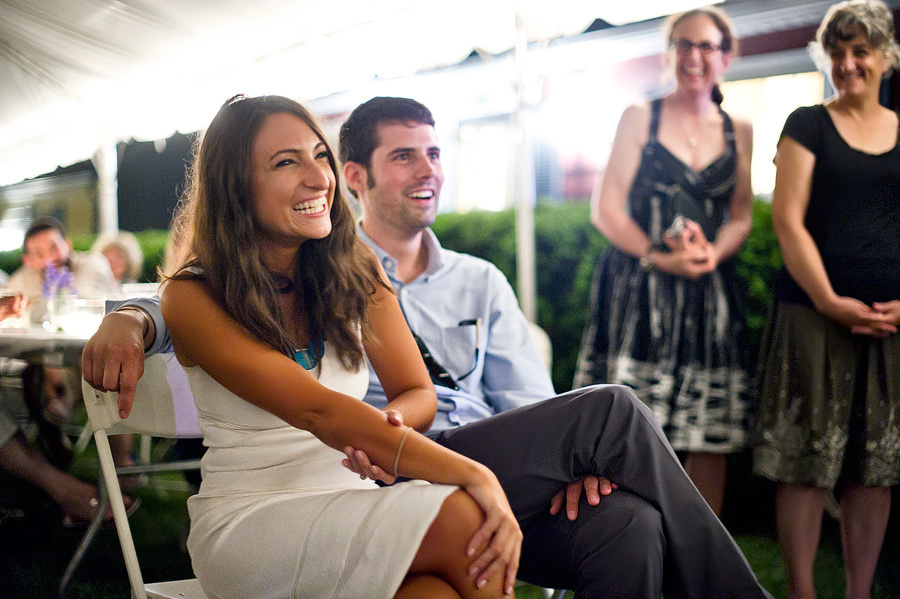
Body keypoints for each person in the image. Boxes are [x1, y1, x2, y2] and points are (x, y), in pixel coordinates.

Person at [85, 95, 774, 599]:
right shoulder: (196, 295)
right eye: (286, 162)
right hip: (265, 513)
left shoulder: (355, 269)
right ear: (237, 184)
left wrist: (390, 432)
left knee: (624, 523)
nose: (315, 175)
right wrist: (467, 471)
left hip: (387, 467)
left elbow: (411, 394)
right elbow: (322, 414)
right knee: (605, 416)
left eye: (317, 155)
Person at [572, 5, 754, 516]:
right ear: (669, 52)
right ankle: (633, 547)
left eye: (707, 46)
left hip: (708, 295)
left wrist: (711, 253)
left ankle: (700, 565)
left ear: (726, 56)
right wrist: (657, 256)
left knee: (706, 435)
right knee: (633, 427)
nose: (695, 57)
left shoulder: (740, 128)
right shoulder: (640, 115)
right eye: (684, 44)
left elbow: (741, 216)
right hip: (639, 291)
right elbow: (605, 209)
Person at [752, 2, 900, 598]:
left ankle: (859, 592)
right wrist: (831, 300)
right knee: (805, 465)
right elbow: (788, 223)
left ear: (886, 56)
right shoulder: (806, 123)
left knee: (875, 468)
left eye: (860, 50)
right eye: (836, 52)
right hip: (811, 317)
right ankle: (803, 590)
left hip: (889, 326)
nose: (848, 64)